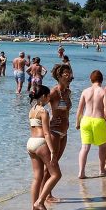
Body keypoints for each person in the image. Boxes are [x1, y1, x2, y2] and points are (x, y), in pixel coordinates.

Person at [75, 70, 106, 178]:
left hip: (85, 120)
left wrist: (77, 122)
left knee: (84, 147)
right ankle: (101, 170)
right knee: (102, 146)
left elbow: (80, 110)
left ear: (91, 79)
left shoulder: (85, 91)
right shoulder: (104, 91)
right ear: (101, 80)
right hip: (98, 121)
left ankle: (81, 172)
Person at [26, 85, 61, 210]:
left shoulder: (32, 110)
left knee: (37, 177)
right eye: (48, 96)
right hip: (40, 143)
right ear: (43, 96)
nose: (49, 99)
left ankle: (33, 208)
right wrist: (52, 150)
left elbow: (37, 126)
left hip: (30, 143)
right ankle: (40, 202)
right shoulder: (43, 111)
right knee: (56, 174)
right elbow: (46, 133)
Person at [46, 64, 73, 201]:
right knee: (52, 165)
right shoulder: (53, 92)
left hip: (64, 132)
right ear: (59, 76)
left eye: (70, 73)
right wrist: (42, 125)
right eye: (66, 73)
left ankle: (47, 194)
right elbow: (38, 105)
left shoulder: (67, 92)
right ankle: (46, 195)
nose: (69, 76)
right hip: (54, 132)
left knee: (55, 163)